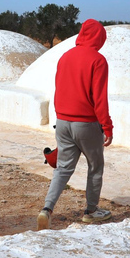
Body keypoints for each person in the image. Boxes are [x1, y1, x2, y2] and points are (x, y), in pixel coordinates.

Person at [37, 19, 114, 230]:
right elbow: (99, 99)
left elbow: (59, 87)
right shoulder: (98, 60)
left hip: (62, 121)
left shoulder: (64, 56)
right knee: (95, 166)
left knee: (62, 168)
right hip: (86, 123)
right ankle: (91, 211)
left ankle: (47, 209)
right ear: (99, 37)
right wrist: (107, 126)